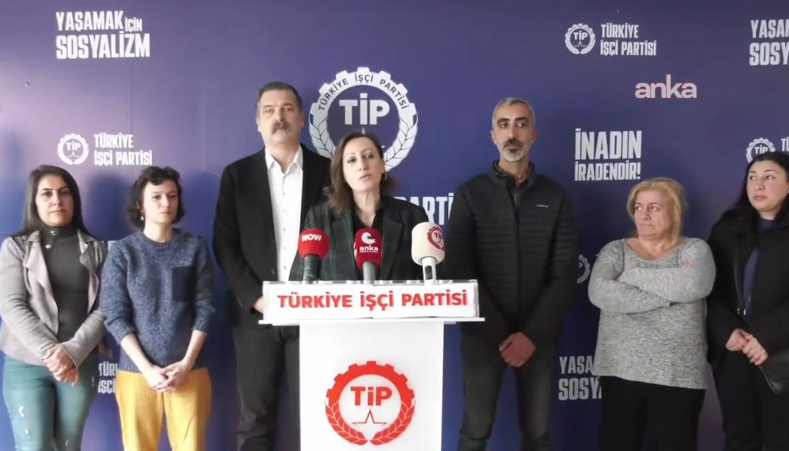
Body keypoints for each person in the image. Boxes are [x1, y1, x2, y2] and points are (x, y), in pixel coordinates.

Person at [446, 97, 577, 451]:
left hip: (539, 337)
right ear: (493, 135)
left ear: (534, 134)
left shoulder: (556, 196)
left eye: (521, 123)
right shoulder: (470, 194)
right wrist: (502, 334)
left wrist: (530, 335)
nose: (512, 133)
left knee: (538, 434)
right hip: (483, 335)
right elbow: (458, 268)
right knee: (475, 432)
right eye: (504, 125)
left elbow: (565, 272)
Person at [212, 81, 330, 450]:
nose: (279, 117)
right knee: (255, 420)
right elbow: (225, 244)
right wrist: (256, 298)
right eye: (269, 110)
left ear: (302, 119)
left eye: (287, 109)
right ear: (258, 122)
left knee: (315, 416)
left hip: (315, 314)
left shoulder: (329, 172)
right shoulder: (237, 175)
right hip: (255, 316)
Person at [588, 177, 715, 451]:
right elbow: (599, 292)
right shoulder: (616, 250)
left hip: (677, 373)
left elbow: (695, 284)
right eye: (638, 207)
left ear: (674, 211)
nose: (643, 215)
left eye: (654, 208)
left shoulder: (695, 250)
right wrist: (668, 299)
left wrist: (630, 276)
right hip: (620, 370)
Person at [100, 166, 214, 451]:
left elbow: (205, 308)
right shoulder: (123, 252)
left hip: (189, 371)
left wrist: (186, 363)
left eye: (172, 196)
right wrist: (147, 368)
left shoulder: (194, 247)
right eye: (157, 196)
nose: (166, 203)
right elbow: (115, 314)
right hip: (136, 373)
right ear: (140, 205)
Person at [0, 165, 105, 451]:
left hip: (80, 362)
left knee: (68, 446)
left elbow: (106, 308)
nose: (56, 200)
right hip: (25, 364)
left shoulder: (97, 249)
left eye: (64, 192)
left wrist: (71, 353)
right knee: (33, 447)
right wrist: (54, 354)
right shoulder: (16, 247)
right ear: (34, 202)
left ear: (74, 199)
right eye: (46, 194)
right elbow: (11, 305)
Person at [707, 151, 789, 451]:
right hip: (735, 352)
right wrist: (725, 331)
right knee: (739, 438)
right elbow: (708, 290)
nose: (758, 185)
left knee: (785, 440)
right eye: (752, 177)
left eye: (769, 177)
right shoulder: (727, 229)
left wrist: (767, 336)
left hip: (787, 354)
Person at [290, 131, 428, 282]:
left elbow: (434, 283)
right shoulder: (320, 218)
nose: (362, 166)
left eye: (368, 156)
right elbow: (297, 283)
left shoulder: (413, 217)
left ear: (382, 166)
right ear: (342, 174)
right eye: (351, 160)